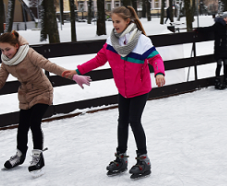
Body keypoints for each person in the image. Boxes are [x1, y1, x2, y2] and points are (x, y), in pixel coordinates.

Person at [61, 6, 165, 179]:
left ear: (127, 21)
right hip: (123, 90)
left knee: (134, 120)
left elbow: (156, 58)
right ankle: (121, 158)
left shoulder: (141, 41)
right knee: (122, 122)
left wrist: (159, 73)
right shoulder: (112, 41)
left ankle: (143, 159)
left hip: (139, 88)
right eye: (113, 21)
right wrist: (77, 71)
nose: (114, 24)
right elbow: (99, 59)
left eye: (117, 21)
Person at [0, 30, 91, 174]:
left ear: (16, 45)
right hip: (25, 95)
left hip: (42, 91)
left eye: (7, 49)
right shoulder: (6, 61)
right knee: (22, 126)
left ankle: (38, 156)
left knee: (34, 122)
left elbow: (49, 66)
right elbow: (0, 79)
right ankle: (20, 155)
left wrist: (73, 76)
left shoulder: (29, 53)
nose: (5, 52)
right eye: (2, 50)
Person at [196, 12, 227, 89]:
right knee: (219, 63)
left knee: (226, 63)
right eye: (225, 18)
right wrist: (199, 29)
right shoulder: (218, 25)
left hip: (225, 48)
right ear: (222, 18)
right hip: (219, 48)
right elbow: (209, 29)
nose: (226, 19)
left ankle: (226, 79)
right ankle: (217, 81)